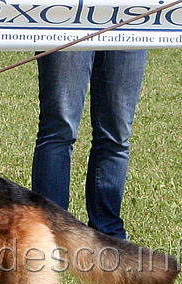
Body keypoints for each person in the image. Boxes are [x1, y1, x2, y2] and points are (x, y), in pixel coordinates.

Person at [31, 49, 148, 240]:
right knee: (59, 130)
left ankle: (109, 234)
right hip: (69, 23)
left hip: (128, 25)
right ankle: (50, 233)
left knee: (117, 135)